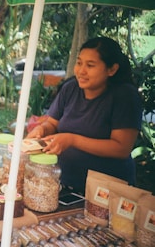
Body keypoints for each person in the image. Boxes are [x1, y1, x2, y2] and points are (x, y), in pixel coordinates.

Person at [26, 37, 142, 194]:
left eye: (90, 65)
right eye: (79, 63)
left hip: (106, 191)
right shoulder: (71, 88)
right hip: (65, 183)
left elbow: (121, 148)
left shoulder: (125, 96)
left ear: (112, 69)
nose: (81, 71)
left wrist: (72, 140)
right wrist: (42, 129)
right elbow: (52, 123)